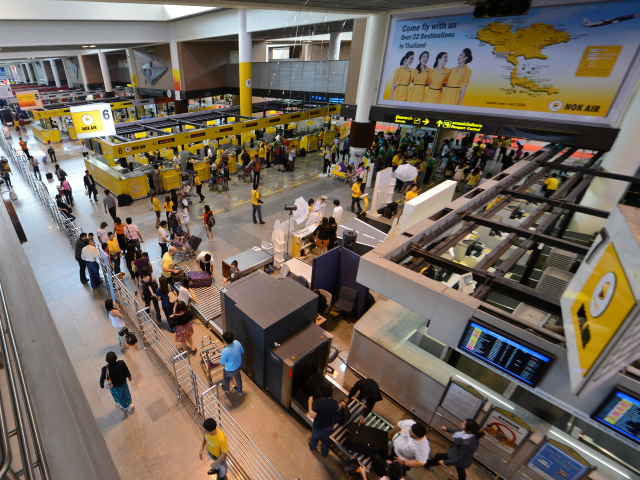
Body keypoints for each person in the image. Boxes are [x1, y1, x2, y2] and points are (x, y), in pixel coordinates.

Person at [308, 384, 339, 458]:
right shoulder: (334, 402)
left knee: (315, 438)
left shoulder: (318, 402)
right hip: (329, 427)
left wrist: (310, 402)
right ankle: (325, 453)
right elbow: (337, 409)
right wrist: (342, 404)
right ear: (331, 393)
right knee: (326, 440)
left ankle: (313, 447)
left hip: (318, 427)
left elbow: (312, 415)